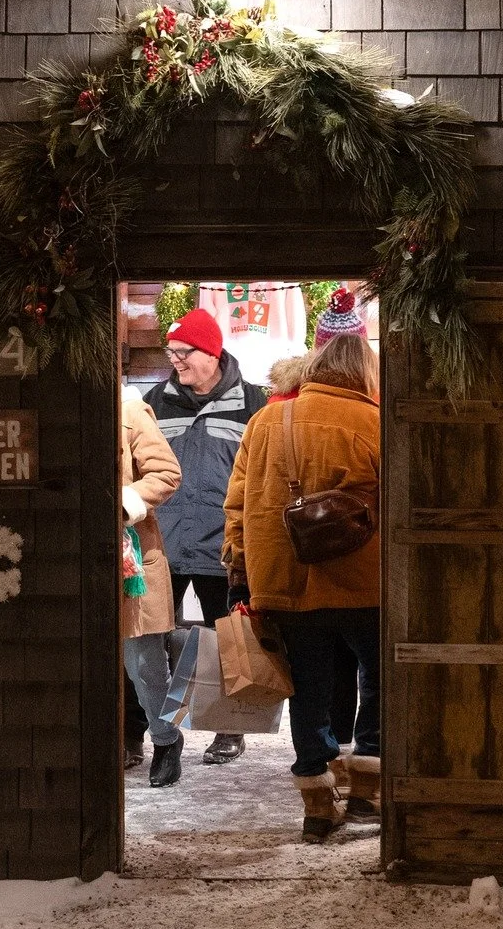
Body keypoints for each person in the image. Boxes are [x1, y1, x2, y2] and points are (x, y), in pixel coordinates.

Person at [222, 333, 381, 840]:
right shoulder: (376, 422)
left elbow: (238, 504)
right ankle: (366, 792)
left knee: (307, 690)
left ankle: (317, 804)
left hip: (285, 581)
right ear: (364, 374)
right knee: (378, 682)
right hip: (364, 580)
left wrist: (240, 565)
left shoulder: (266, 420)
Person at [144, 305, 267, 763]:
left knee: (227, 643)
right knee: (147, 643)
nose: (175, 360)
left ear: (212, 352)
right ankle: (146, 733)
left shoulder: (254, 403)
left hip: (225, 547)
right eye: (171, 352)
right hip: (164, 546)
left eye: (184, 352)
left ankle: (229, 731)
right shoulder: (154, 402)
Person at [121, 393, 185, 787]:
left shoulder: (130, 409)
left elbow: (166, 473)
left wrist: (124, 501)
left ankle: (166, 740)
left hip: (133, 553)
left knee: (145, 666)